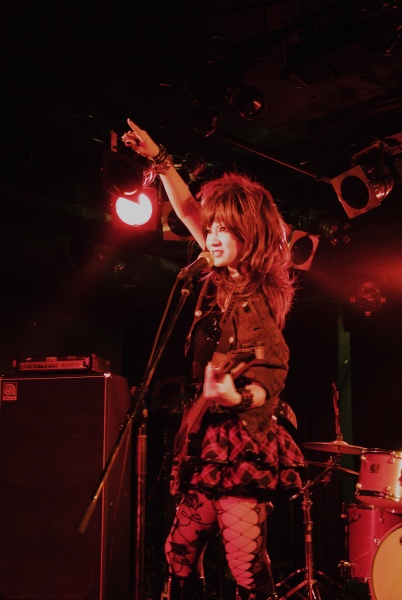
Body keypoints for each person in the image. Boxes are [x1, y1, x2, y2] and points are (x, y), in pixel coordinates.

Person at [122, 119, 306, 600]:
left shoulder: (256, 292)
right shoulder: (221, 277)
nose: (214, 237)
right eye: (214, 229)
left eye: (227, 229)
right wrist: (159, 159)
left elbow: (274, 368)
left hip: (242, 437)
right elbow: (188, 209)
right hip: (208, 435)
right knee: (179, 551)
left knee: (244, 561)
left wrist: (238, 395)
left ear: (252, 235)